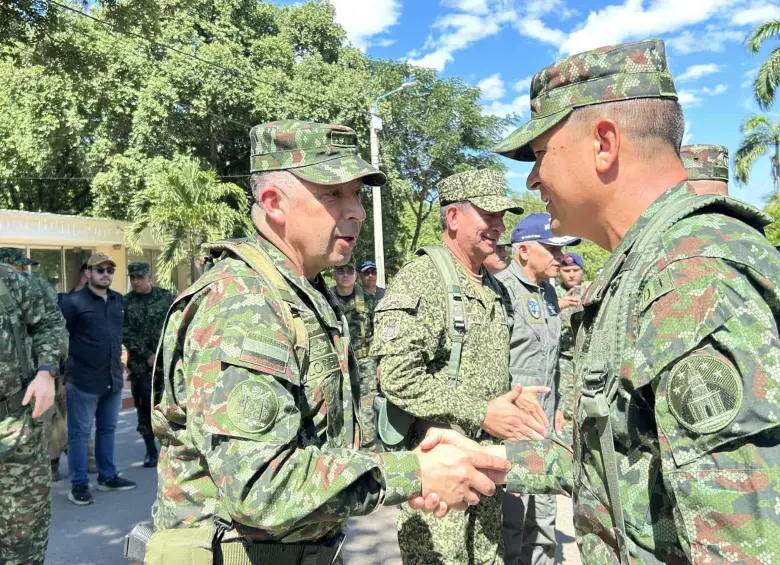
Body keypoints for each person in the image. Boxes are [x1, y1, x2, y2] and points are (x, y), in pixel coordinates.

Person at [146, 120, 513, 564]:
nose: (356, 210)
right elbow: (262, 486)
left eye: (357, 194)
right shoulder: (243, 303)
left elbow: (321, 444)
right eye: (333, 194)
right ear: (273, 202)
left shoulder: (303, 292)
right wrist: (413, 474)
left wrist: (424, 458)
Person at [480, 37, 780, 563]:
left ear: (604, 143)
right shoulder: (647, 268)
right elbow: (626, 464)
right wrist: (497, 461)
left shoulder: (692, 276)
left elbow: (743, 543)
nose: (532, 177)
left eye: (540, 153)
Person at [371, 168, 548, 565]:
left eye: (503, 217)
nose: (499, 226)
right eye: (488, 216)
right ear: (453, 218)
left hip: (483, 474)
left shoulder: (495, 287)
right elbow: (396, 377)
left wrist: (511, 403)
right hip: (438, 478)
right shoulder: (423, 279)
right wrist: (482, 411)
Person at [497, 213, 579, 565]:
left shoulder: (548, 291)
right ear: (524, 251)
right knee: (513, 507)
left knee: (545, 499)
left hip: (544, 417)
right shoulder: (500, 289)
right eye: (552, 249)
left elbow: (553, 353)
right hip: (513, 419)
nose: (560, 257)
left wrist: (558, 404)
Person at [0, 260, 66, 565]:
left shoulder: (9, 281)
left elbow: (50, 321)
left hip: (16, 431)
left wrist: (46, 372)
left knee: (23, 537)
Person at [60, 252, 136, 506]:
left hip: (112, 378)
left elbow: (117, 335)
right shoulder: (73, 302)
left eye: (110, 270)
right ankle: (79, 485)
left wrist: (121, 361)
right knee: (79, 435)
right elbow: (57, 336)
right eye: (100, 270)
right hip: (81, 380)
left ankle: (107, 476)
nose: (106, 274)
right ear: (88, 273)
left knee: (107, 429)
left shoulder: (117, 300)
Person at [0, 248, 70, 482]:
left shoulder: (14, 283)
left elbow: (50, 322)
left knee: (56, 422)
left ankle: (55, 463)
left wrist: (46, 372)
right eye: (21, 266)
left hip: (16, 417)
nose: (24, 270)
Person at [122, 262, 174, 467]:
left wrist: (161, 355)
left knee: (169, 406)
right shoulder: (126, 302)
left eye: (139, 277)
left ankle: (171, 448)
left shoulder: (165, 297)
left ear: (149, 277)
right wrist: (146, 355)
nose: (135, 281)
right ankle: (150, 449)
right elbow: (125, 331)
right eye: (132, 278)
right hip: (140, 367)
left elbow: (173, 325)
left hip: (165, 363)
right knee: (144, 407)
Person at [331, 260, 379, 449]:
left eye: (349, 270)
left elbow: (379, 333)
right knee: (338, 406)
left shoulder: (368, 300)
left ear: (355, 275)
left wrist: (380, 363)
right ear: (334, 274)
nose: (345, 274)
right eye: (340, 270)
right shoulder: (325, 300)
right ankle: (342, 450)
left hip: (364, 362)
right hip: (337, 362)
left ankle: (367, 450)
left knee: (366, 408)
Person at [555, 251, 586, 443]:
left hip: (583, 360)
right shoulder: (551, 293)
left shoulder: (591, 291)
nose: (571, 275)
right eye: (566, 270)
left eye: (576, 270)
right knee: (564, 407)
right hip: (562, 360)